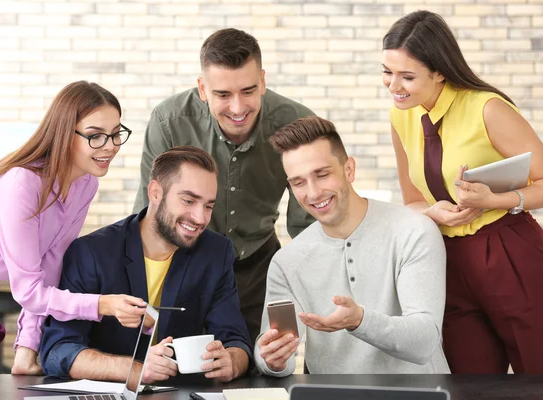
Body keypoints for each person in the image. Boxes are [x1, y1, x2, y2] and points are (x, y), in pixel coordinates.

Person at [0, 81, 147, 400]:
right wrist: (104, 304)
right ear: (65, 133)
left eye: (116, 133)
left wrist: (28, 346)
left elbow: (49, 268)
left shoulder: (84, 185)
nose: (110, 146)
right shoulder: (21, 185)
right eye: (95, 135)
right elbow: (29, 291)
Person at [383, 10, 543, 374]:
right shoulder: (400, 115)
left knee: (536, 374)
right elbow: (411, 200)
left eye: (407, 76)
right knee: (469, 381)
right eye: (387, 73)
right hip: (447, 260)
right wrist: (432, 212)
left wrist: (494, 201)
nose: (394, 86)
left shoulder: (486, 108)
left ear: (439, 70)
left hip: (508, 251)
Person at [133, 28, 315, 343]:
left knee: (259, 370)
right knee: (181, 369)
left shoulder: (298, 125)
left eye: (248, 90)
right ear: (203, 89)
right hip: (186, 261)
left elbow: (310, 224)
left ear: (263, 81)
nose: (237, 107)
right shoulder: (169, 121)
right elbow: (149, 215)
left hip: (260, 265)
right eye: (222, 95)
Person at [254, 116, 449, 375]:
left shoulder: (413, 231)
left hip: (420, 394)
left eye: (322, 175)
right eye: (298, 182)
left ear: (349, 170)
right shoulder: (287, 262)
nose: (312, 193)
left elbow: (424, 342)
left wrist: (360, 321)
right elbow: (277, 348)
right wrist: (270, 359)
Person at [40, 146, 251, 383]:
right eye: (188, 200)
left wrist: (231, 361)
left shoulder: (216, 252)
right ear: (155, 192)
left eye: (208, 206)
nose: (200, 217)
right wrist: (135, 370)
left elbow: (236, 340)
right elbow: (58, 351)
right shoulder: (92, 252)